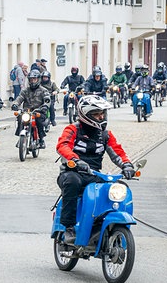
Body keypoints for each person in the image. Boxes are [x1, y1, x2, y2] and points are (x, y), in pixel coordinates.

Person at [56, 95, 134, 243]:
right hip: (73, 172)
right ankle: (69, 228)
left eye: (102, 113)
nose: (101, 117)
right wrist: (76, 160)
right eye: (97, 114)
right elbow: (62, 146)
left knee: (120, 188)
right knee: (72, 183)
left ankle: (106, 224)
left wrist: (127, 165)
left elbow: (117, 151)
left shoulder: (105, 135)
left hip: (95, 175)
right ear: (86, 115)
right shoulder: (72, 129)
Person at [11, 69, 50, 149]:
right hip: (27, 112)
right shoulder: (25, 90)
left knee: (39, 122)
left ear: (38, 79)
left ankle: (41, 140)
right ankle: (21, 138)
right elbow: (20, 98)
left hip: (39, 111)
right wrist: (15, 104)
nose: (32, 81)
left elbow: (47, 100)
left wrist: (45, 106)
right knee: (20, 118)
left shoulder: (43, 90)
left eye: (34, 79)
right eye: (31, 79)